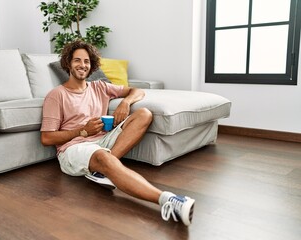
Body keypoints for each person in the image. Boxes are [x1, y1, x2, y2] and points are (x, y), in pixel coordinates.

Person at [40, 40, 195, 226]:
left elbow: (137, 91)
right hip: (73, 149)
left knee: (144, 114)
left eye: (87, 61)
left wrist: (125, 103)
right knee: (103, 158)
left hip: (103, 140)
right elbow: (47, 138)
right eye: (77, 60)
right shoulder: (57, 95)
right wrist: (82, 130)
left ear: (92, 65)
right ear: (68, 63)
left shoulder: (99, 87)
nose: (82, 65)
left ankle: (102, 169)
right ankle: (169, 201)